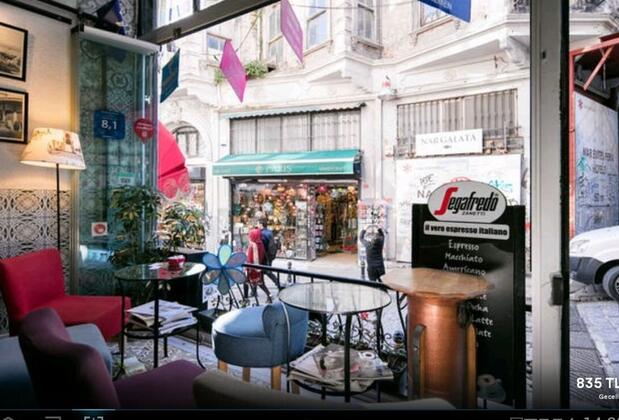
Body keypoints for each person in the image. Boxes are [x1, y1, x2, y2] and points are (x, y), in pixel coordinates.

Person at [244, 227, 272, 303]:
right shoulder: (260, 244)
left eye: (250, 235)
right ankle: (269, 295)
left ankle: (245, 299)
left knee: (246, 282)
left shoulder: (253, 245)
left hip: (252, 268)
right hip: (259, 266)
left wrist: (248, 267)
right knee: (260, 283)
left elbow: (250, 257)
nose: (249, 237)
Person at [260, 218, 281, 290]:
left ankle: (277, 285)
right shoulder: (270, 232)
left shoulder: (262, 233)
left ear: (261, 224)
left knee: (265, 272)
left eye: (258, 224)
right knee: (265, 272)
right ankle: (278, 284)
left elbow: (263, 245)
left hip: (264, 256)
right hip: (269, 256)